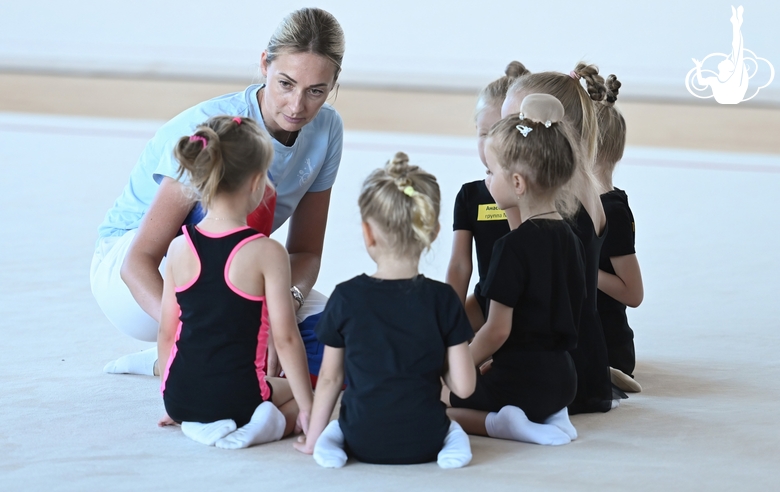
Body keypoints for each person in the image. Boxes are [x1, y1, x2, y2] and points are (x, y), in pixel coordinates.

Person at [90, 7, 345, 379]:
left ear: (333, 83)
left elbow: (305, 252)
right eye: (285, 84)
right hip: (139, 274)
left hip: (233, 267)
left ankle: (190, 356)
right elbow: (137, 262)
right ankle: (180, 352)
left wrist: (285, 308)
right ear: (264, 65)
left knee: (342, 344)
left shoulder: (327, 130)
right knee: (223, 215)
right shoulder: (216, 129)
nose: (297, 106)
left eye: (316, 91)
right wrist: (201, 337)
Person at [294, 153, 476, 468]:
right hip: (425, 440)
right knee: (453, 428)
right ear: (432, 233)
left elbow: (329, 378)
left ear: (368, 232)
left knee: (336, 427)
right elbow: (464, 386)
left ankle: (325, 447)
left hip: (361, 439)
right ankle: (453, 450)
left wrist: (310, 440)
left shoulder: (345, 297)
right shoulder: (444, 299)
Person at [156, 116, 313, 449]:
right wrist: (310, 408)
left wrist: (171, 401)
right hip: (240, 400)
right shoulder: (267, 252)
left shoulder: (179, 246)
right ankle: (264, 427)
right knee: (306, 396)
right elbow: (284, 338)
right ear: (257, 182)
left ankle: (198, 423)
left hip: (179, 400)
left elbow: (168, 332)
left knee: (236, 385)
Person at [445, 95, 586, 446]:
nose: (487, 180)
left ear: (518, 183)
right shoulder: (571, 238)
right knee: (499, 381)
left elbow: (495, 331)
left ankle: (507, 423)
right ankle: (554, 416)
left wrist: (455, 371)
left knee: (441, 405)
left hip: (522, 382)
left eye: (491, 172)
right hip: (565, 379)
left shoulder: (511, 246)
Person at [503, 62, 617, 414]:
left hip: (555, 363)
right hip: (589, 361)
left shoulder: (550, 203)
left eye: (513, 127)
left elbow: (522, 289)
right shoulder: (587, 186)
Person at [446, 62, 524, 330]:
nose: (492, 143)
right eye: (484, 133)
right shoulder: (470, 195)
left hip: (530, 308)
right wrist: (447, 327)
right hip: (486, 303)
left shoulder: (539, 192)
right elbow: (459, 266)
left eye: (501, 132)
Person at [594, 75, 644, 393]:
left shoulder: (611, 210)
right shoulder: (579, 203)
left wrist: (582, 266)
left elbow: (633, 293)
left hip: (608, 344)